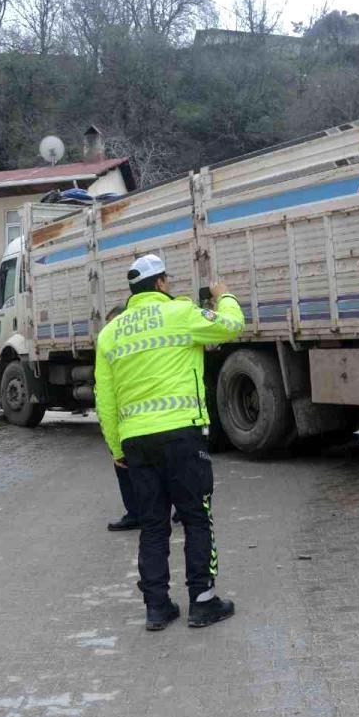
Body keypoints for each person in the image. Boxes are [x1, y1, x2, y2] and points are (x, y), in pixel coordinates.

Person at [93, 254, 245, 631]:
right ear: (160, 283)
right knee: (196, 516)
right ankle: (203, 602)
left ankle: (157, 607)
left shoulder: (110, 333)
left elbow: (105, 401)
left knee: (153, 525)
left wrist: (117, 450)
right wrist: (223, 296)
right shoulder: (180, 312)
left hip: (136, 443)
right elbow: (232, 326)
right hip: (182, 435)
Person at [101, 303, 146, 533]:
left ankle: (137, 513)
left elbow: (106, 398)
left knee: (125, 465)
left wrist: (114, 446)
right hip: (145, 421)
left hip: (131, 423)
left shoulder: (120, 352)